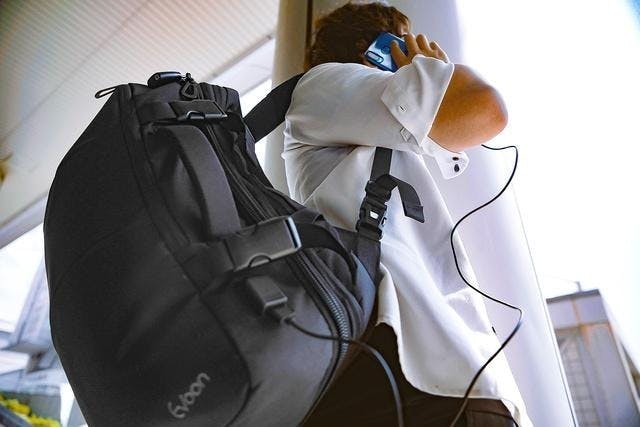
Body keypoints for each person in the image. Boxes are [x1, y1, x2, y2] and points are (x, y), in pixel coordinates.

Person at [281, 2, 532, 426]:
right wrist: (431, 68)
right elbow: (486, 107)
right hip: (410, 373)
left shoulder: (371, 124)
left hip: (443, 374)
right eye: (402, 41)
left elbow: (470, 119)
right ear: (378, 46)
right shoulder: (324, 84)